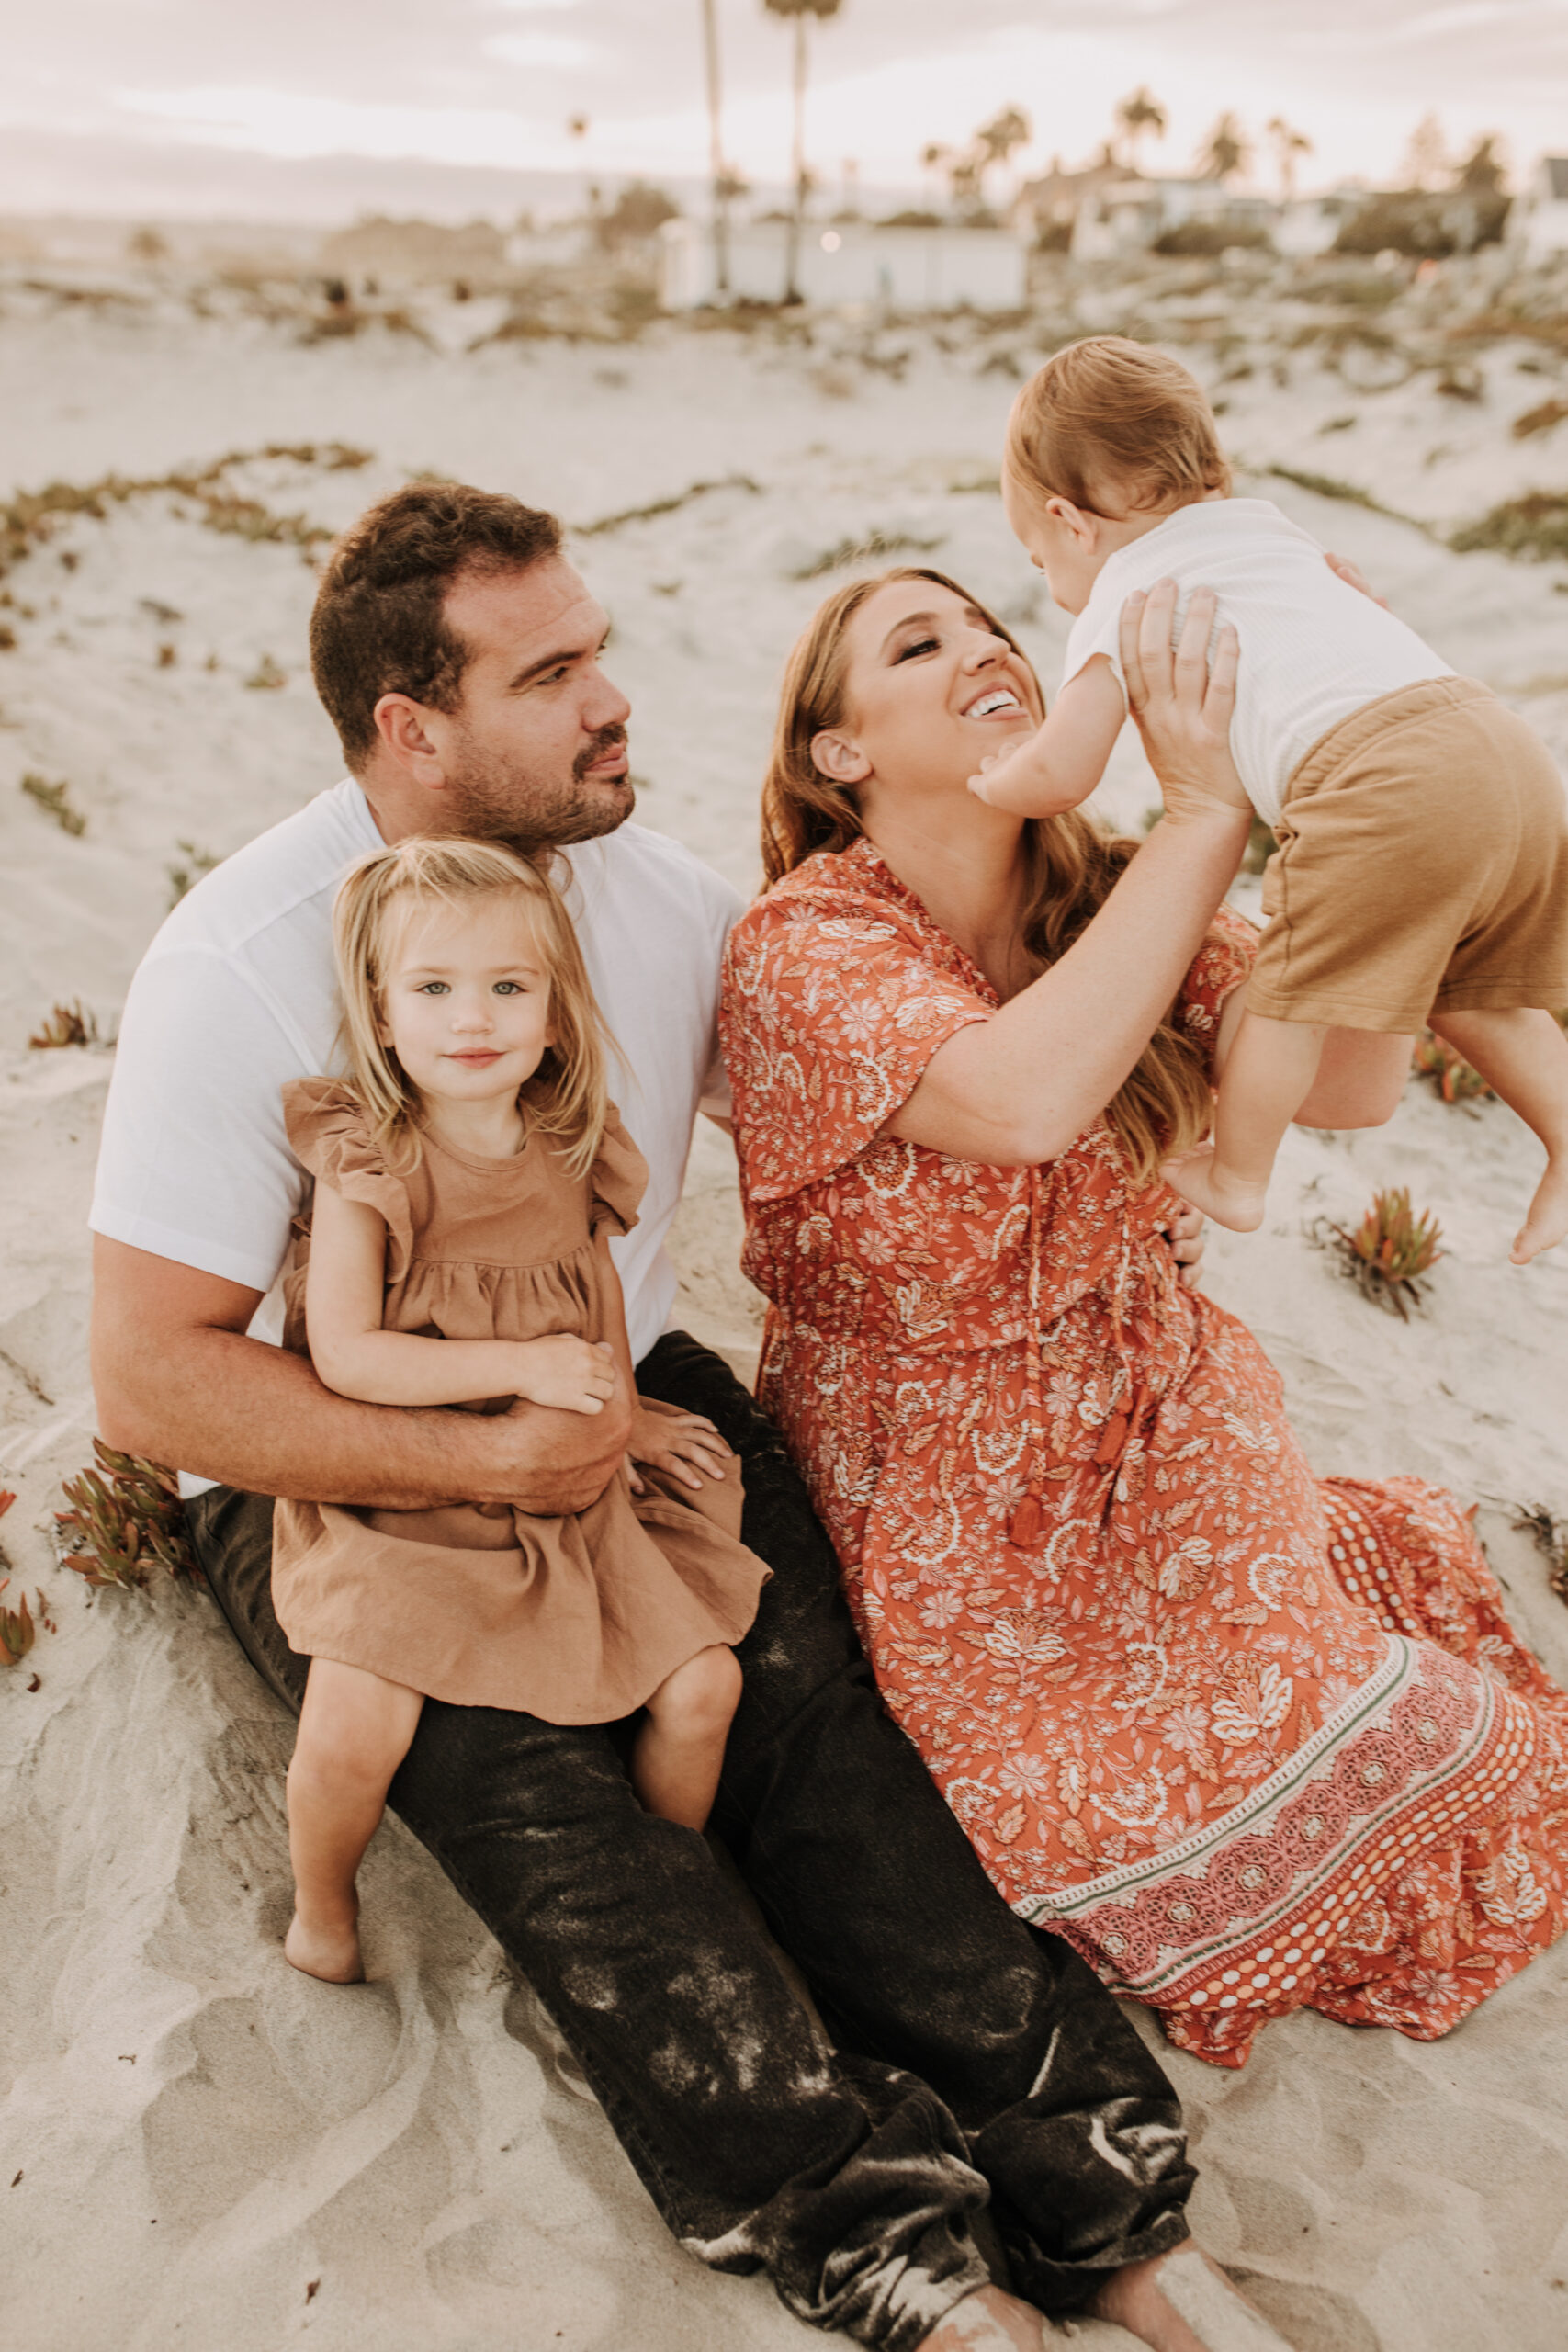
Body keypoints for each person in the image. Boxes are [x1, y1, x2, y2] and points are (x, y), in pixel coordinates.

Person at [87, 481, 1289, 2352]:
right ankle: (912, 2263)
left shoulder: (669, 912)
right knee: (584, 1842)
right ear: (411, 730)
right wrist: (477, 1454)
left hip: (630, 1404)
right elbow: (153, 1375)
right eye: (550, 670)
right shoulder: (240, 957)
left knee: (825, 1747)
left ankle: (1115, 2201)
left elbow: (950, 1068)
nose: (609, 696)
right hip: (342, 1454)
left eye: (602, 648)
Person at [720, 560, 1568, 2075]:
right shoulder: (804, 945)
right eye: (920, 646)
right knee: (1054, 1830)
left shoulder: (1119, 888)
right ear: (833, 753)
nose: (984, 648)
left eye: (992, 626)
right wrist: (1203, 814)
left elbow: (1356, 1086)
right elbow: (1022, 1096)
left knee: (1443, 1758)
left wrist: (1337, 771)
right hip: (936, 1493)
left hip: (1157, 1421)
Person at [275, 836, 768, 1984]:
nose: (473, 1016)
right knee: (359, 1718)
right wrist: (521, 1367)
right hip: (409, 1495)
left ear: (554, 1008)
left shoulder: (570, 1143)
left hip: (558, 1487)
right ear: (384, 1014)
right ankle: (322, 1906)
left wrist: (625, 1410)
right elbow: (347, 1354)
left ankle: (673, 1882)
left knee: (707, 1687)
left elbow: (590, 1308)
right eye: (434, 988)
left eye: (509, 985)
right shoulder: (372, 1162)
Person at [966, 334, 1568, 1261]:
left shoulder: (1128, 591)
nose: (1052, 591)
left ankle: (1238, 1173)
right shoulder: (1274, 533)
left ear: (1070, 521)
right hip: (1498, 743)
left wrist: (993, 779)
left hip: (1382, 785)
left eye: (1041, 560)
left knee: (1289, 990)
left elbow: (1063, 773)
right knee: (1476, 987)